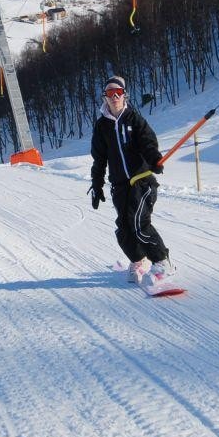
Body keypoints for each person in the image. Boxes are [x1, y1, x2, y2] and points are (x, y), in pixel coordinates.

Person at [88, 75, 174, 283]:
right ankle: (139, 260)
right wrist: (97, 184)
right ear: (105, 97)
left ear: (124, 95)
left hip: (141, 180)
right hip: (120, 185)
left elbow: (148, 142)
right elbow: (99, 159)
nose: (114, 96)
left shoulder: (134, 119)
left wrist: (154, 159)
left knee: (138, 222)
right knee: (124, 228)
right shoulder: (101, 127)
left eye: (118, 92)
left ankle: (163, 262)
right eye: (110, 93)